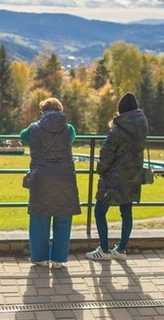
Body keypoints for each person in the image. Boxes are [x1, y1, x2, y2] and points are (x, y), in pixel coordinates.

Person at [19, 97, 81, 268]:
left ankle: (40, 258)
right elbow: (72, 139)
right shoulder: (69, 129)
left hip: (41, 178)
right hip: (65, 178)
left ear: (43, 112)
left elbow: (22, 136)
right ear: (60, 110)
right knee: (63, 218)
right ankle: (59, 260)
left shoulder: (33, 128)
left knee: (40, 217)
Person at [86, 92, 149, 261]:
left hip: (113, 177)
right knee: (126, 211)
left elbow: (107, 152)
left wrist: (100, 170)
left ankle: (104, 249)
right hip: (133, 175)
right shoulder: (142, 126)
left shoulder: (117, 129)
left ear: (121, 110)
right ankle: (121, 249)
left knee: (100, 211)